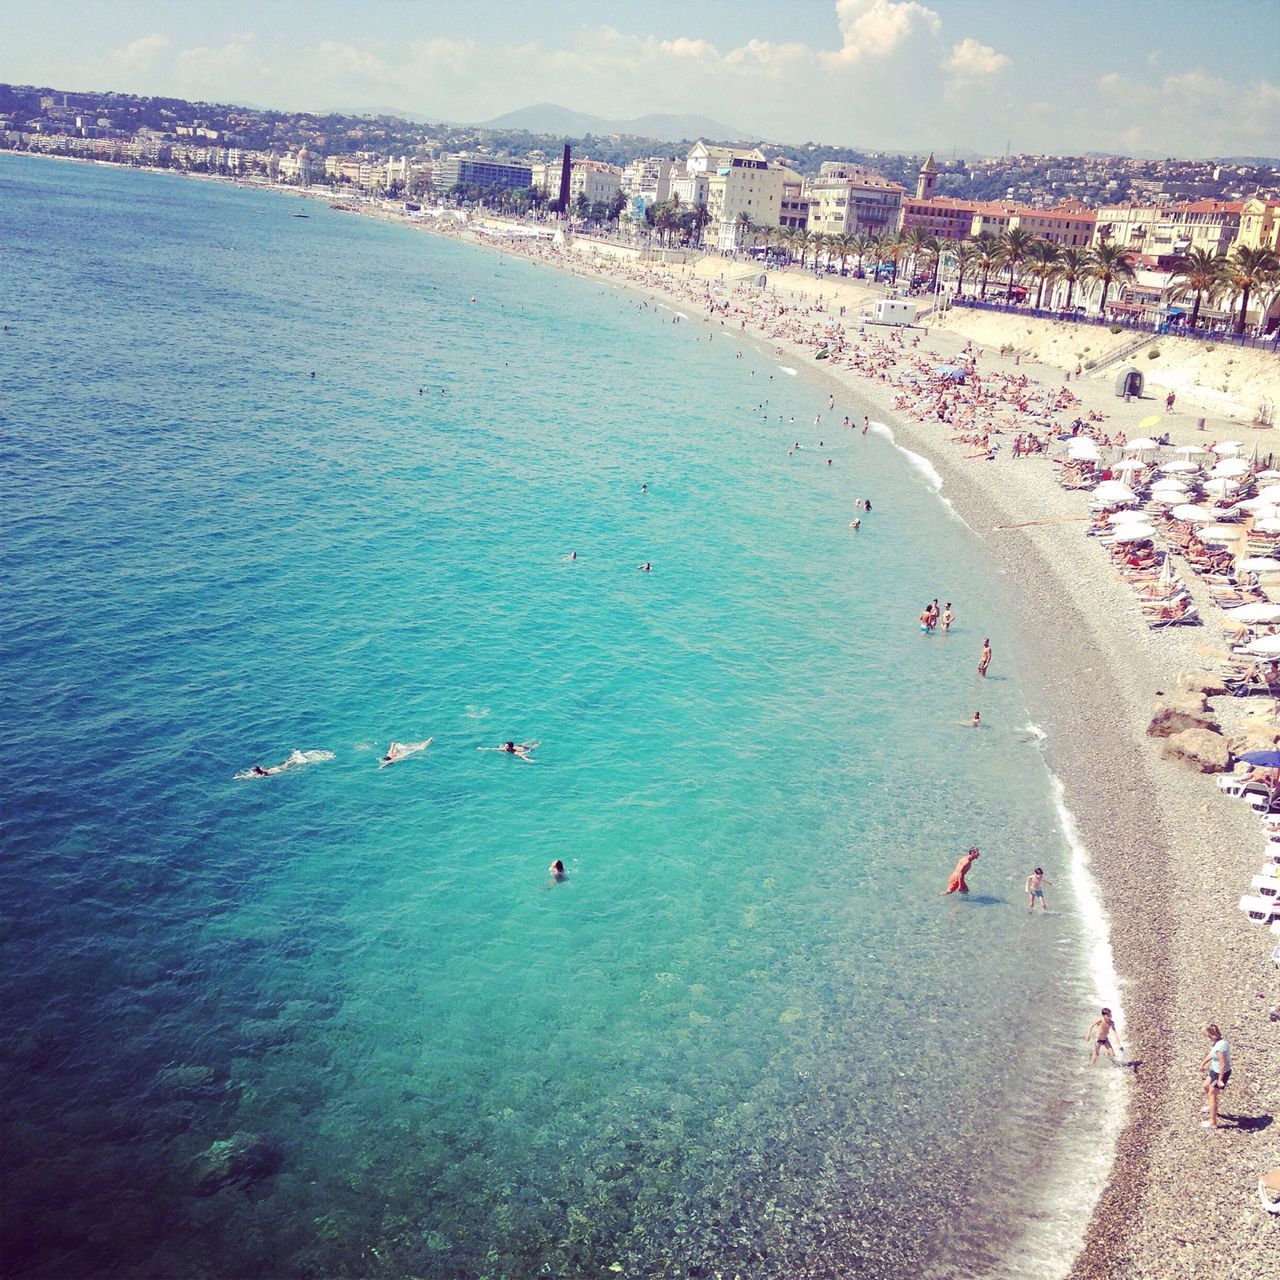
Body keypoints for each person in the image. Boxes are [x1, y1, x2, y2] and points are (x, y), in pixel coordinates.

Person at [1199, 1024, 1231, 1128]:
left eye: (1207, 1035)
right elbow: (1212, 1054)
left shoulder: (1219, 1048)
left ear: (1212, 1035)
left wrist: (1220, 1080)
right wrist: (1203, 1063)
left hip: (1220, 1073)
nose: (1207, 1038)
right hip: (1214, 1071)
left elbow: (1223, 1065)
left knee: (1212, 1095)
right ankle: (1212, 1106)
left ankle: (1212, 1122)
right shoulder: (1220, 1042)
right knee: (1205, 1086)